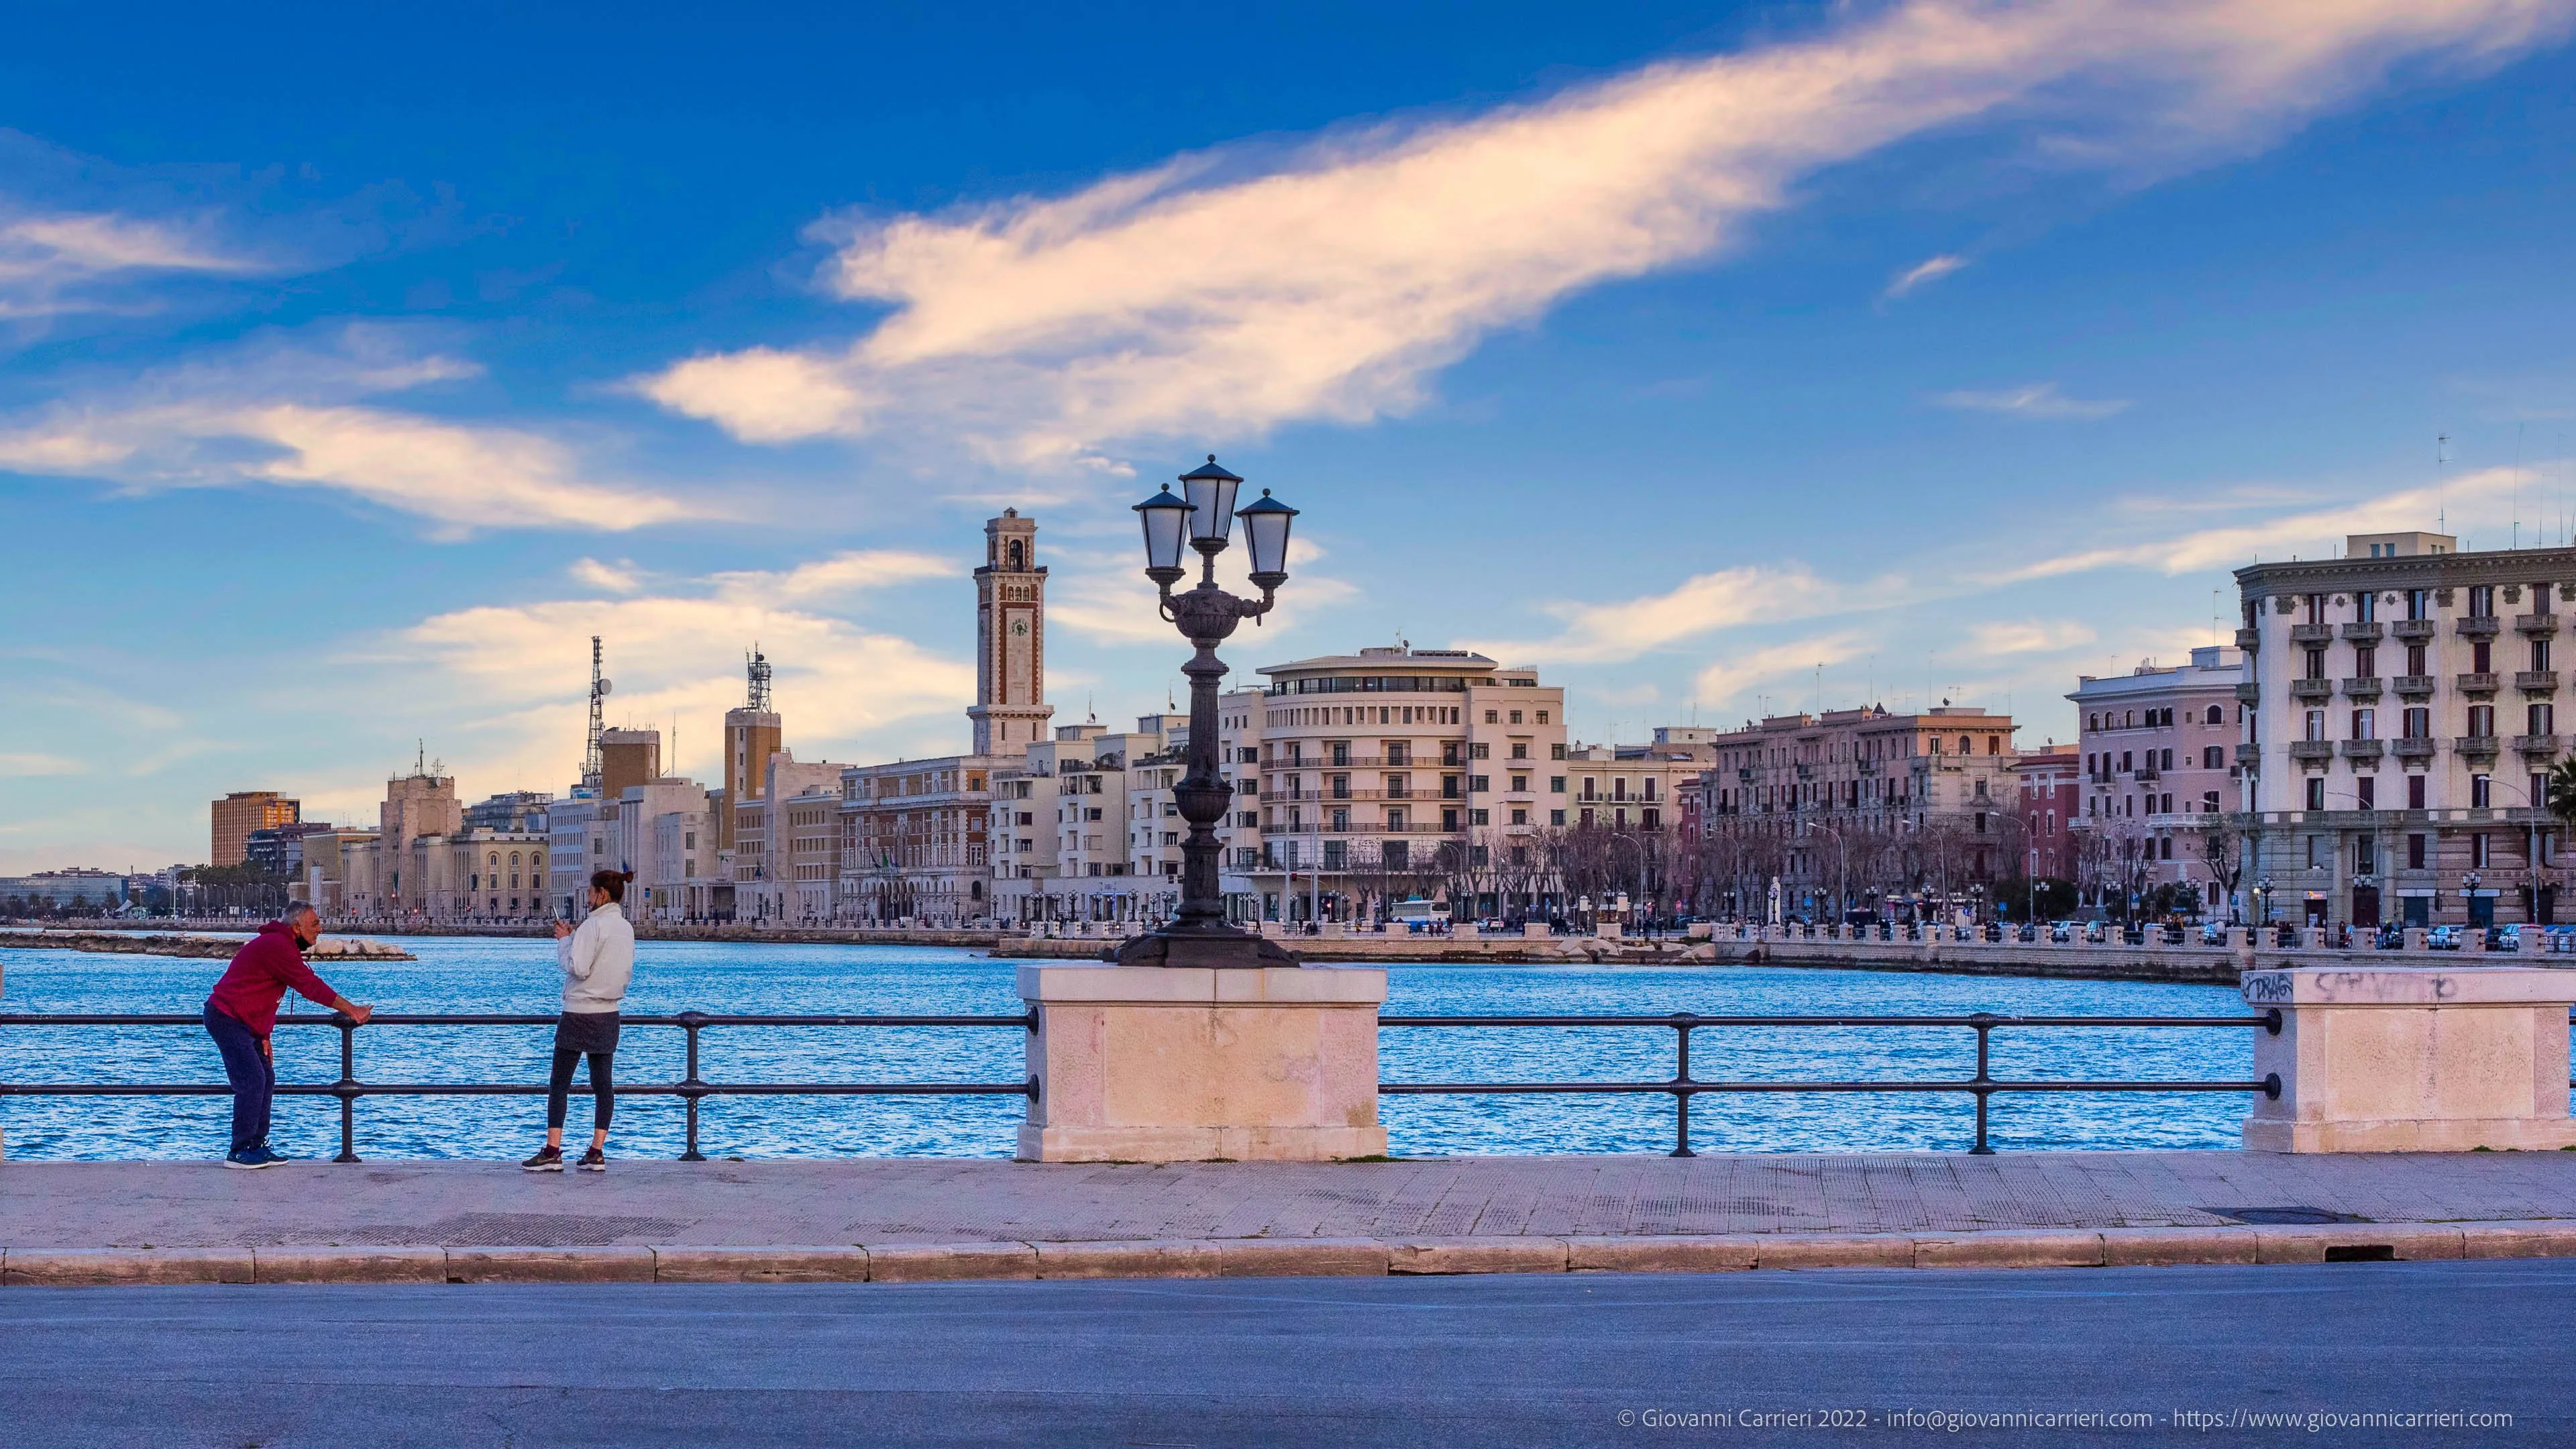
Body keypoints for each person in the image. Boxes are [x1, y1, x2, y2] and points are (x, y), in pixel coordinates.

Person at [204, 902, 373, 1169]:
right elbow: (310, 987)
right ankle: (238, 1151)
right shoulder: (278, 946)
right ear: (296, 927)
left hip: (245, 1022)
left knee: (266, 1077)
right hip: (227, 1017)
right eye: (315, 924)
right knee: (252, 1079)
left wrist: (264, 1034)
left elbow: (262, 993)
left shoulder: (282, 946)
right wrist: (351, 1009)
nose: (320, 930)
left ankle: (256, 1146)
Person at [524, 868, 635, 1172]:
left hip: (579, 1012)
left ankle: (552, 1151)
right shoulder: (625, 928)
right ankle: (596, 1152)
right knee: (603, 1086)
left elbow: (579, 966)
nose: (587, 898)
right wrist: (575, 938)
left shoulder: (593, 925)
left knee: (560, 1083)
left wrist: (564, 941)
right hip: (609, 1013)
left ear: (601, 893)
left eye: (589, 892)